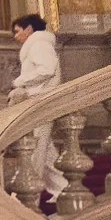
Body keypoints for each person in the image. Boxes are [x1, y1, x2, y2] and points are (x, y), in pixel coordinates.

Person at [10, 12, 65, 199]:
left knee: (37, 149)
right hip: (38, 101)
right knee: (46, 150)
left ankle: (27, 192)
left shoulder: (39, 44)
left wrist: (21, 82)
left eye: (18, 32)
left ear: (29, 29)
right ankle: (62, 189)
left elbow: (47, 69)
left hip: (41, 102)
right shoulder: (36, 44)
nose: (15, 36)